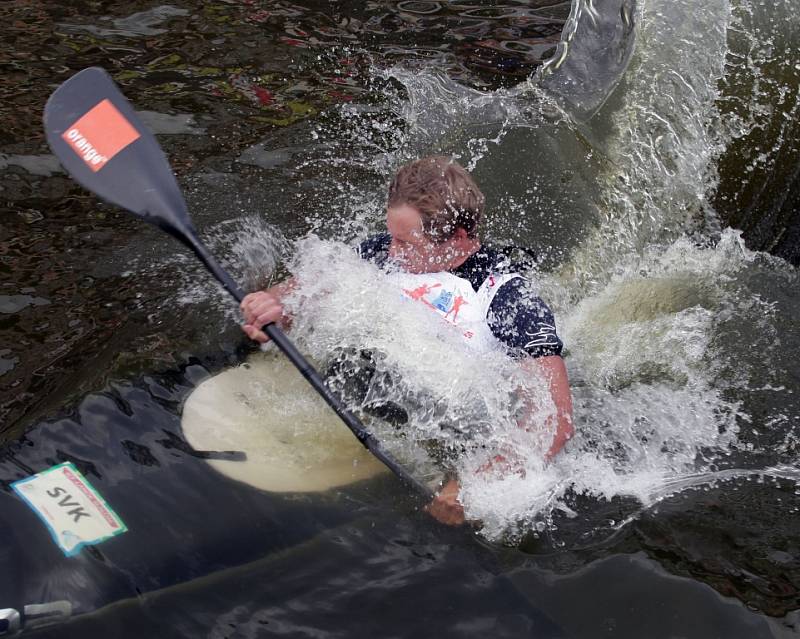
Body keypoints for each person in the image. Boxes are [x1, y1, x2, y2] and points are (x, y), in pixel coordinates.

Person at [240, 156, 573, 526]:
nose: (392, 252)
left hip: (458, 425)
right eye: (392, 235)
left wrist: (473, 485)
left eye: (406, 242)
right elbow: (313, 288)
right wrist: (277, 305)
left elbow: (554, 422)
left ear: (459, 238)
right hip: (370, 380)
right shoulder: (383, 250)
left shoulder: (508, 298)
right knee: (353, 362)